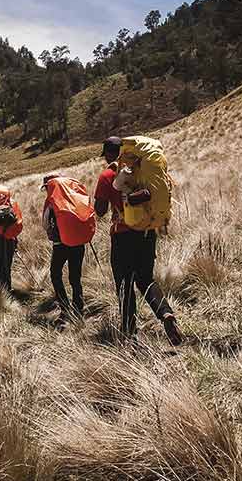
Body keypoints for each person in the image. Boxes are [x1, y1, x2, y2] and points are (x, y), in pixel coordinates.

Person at [94, 136, 183, 345]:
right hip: (146, 232)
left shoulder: (107, 175)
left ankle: (130, 334)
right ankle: (165, 313)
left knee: (124, 285)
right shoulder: (142, 169)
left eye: (106, 155)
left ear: (110, 154)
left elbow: (100, 210)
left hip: (122, 236)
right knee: (145, 279)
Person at [42, 172, 85, 327]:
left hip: (60, 245)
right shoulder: (73, 196)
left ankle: (65, 308)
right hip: (78, 242)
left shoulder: (51, 201)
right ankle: (79, 308)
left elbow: (45, 224)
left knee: (55, 274)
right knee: (75, 276)